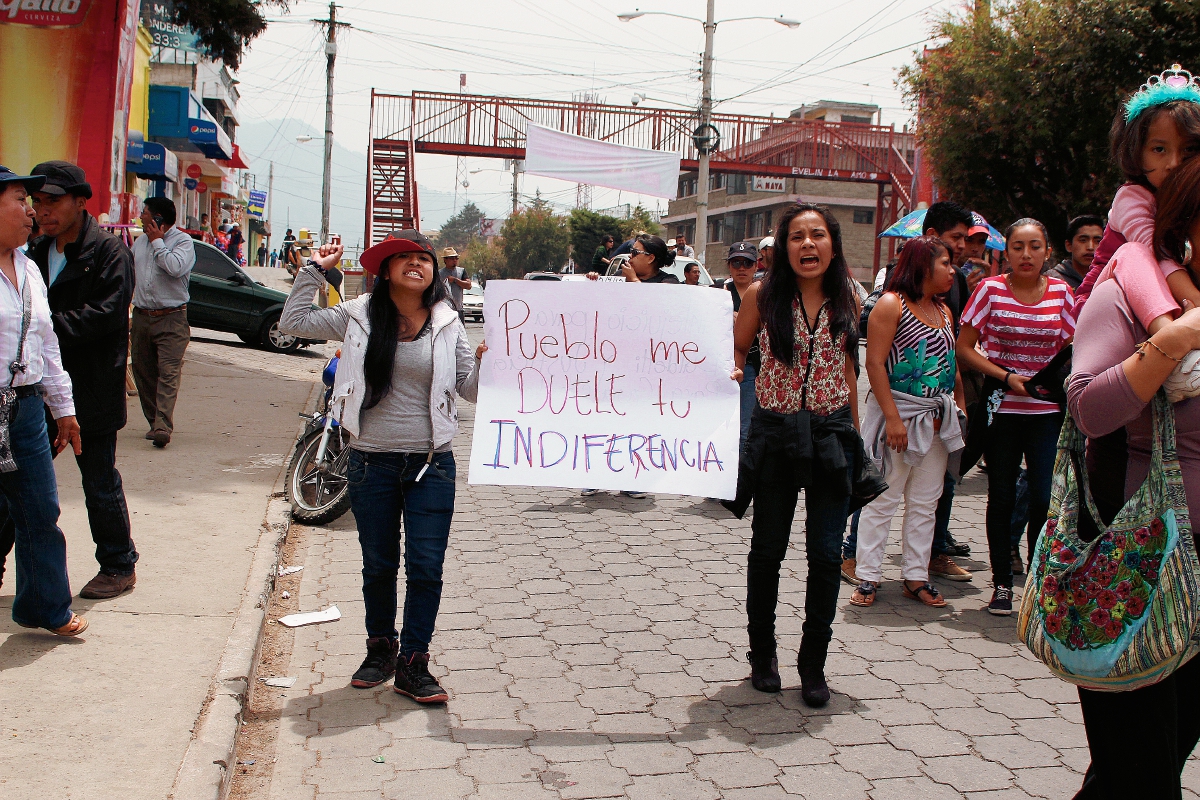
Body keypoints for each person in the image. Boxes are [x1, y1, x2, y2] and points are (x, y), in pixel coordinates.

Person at [279, 229, 482, 704]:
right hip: (370, 462)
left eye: (424, 259)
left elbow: (469, 389)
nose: (417, 264)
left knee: (427, 568)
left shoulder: (450, 322)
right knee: (378, 565)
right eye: (404, 258)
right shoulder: (358, 316)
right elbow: (294, 321)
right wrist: (315, 270)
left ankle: (414, 664)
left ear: (435, 271)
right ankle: (379, 650)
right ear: (386, 269)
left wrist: (492, 362)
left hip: (432, 465)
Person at [1066, 153, 1200, 800]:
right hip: (1133, 572)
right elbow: (1090, 408)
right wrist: (1177, 339)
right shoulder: (1126, 289)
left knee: (1145, 766)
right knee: (1144, 775)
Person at [726, 203, 863, 706]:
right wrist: (737, 372)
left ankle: (814, 664)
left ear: (833, 244)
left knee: (826, 557)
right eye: (798, 237)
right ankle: (762, 655)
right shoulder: (763, 295)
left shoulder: (848, 296)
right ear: (784, 248)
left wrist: (855, 429)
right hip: (776, 436)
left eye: (818, 235)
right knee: (767, 552)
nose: (808, 245)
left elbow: (848, 365)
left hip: (830, 436)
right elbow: (736, 349)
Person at [9, 161, 136, 599]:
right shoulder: (33, 254)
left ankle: (119, 564)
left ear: (80, 202)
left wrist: (41, 327)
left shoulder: (109, 252)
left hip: (92, 388)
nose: (43, 211)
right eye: (37, 202)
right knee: (17, 482)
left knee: (98, 482)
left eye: (53, 202)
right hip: (39, 391)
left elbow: (107, 314)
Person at [956, 218, 1075, 615]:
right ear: (1005, 252)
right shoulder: (989, 291)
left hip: (1046, 412)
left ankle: (1039, 584)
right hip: (1002, 409)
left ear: (1047, 252)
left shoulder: (1062, 293)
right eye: (1018, 247)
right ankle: (1002, 583)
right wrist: (1006, 376)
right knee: (1002, 495)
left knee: (1044, 496)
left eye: (1034, 246)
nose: (1026, 255)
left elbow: (1075, 346)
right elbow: (965, 347)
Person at [852, 236, 965, 609]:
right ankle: (868, 576)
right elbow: (875, 364)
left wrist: (957, 408)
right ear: (922, 265)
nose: (952, 270)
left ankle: (916, 576)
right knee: (883, 499)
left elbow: (952, 364)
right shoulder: (891, 304)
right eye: (945, 263)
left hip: (936, 421)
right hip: (898, 418)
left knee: (925, 501)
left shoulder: (944, 311)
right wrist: (892, 418)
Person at [0, 166, 86, 634]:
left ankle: (45, 608)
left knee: (39, 509)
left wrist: (64, 409)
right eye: (19, 200)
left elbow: (46, 343)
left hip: (27, 408)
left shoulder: (30, 268)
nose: (30, 210)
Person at [130, 197, 196, 448]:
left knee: (168, 373)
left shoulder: (183, 242)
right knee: (143, 372)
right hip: (143, 317)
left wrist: (158, 241)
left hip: (172, 318)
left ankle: (162, 426)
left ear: (157, 218)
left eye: (145, 213)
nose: (140, 217)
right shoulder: (139, 243)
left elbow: (175, 267)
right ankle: (153, 421)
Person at [716, 242, 761, 449]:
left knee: (748, 427)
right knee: (725, 424)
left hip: (760, 367)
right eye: (736, 263)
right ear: (729, 266)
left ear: (756, 266)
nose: (742, 268)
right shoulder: (717, 293)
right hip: (726, 367)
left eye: (747, 263)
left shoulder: (765, 293)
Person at [1046, 214, 1105, 290]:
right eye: (1083, 240)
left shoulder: (1108, 280)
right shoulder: (1052, 281)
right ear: (1069, 245)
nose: (1090, 247)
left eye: (1098, 241)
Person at [439, 247, 471, 321]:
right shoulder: (439, 274)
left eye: (456, 258)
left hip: (458, 309)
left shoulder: (461, 271)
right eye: (452, 258)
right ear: (445, 260)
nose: (455, 260)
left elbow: (468, 285)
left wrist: (455, 280)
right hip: (444, 310)